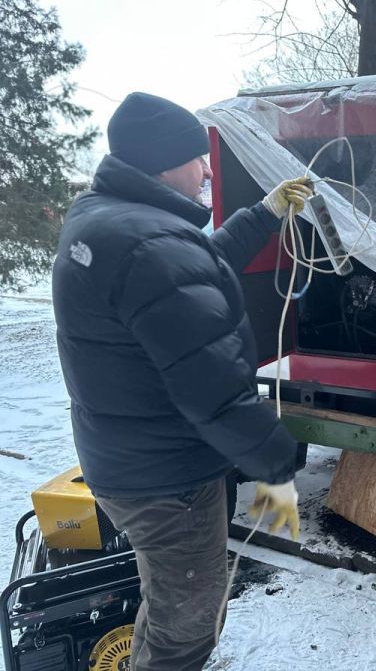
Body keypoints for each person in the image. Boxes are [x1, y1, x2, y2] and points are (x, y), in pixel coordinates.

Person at [52, 92, 313, 670]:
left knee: (168, 603)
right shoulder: (146, 243)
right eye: (199, 158)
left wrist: (263, 214)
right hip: (168, 481)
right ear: (165, 160)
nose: (206, 171)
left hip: (130, 461)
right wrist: (277, 463)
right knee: (187, 628)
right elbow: (215, 389)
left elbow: (190, 269)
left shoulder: (111, 220)